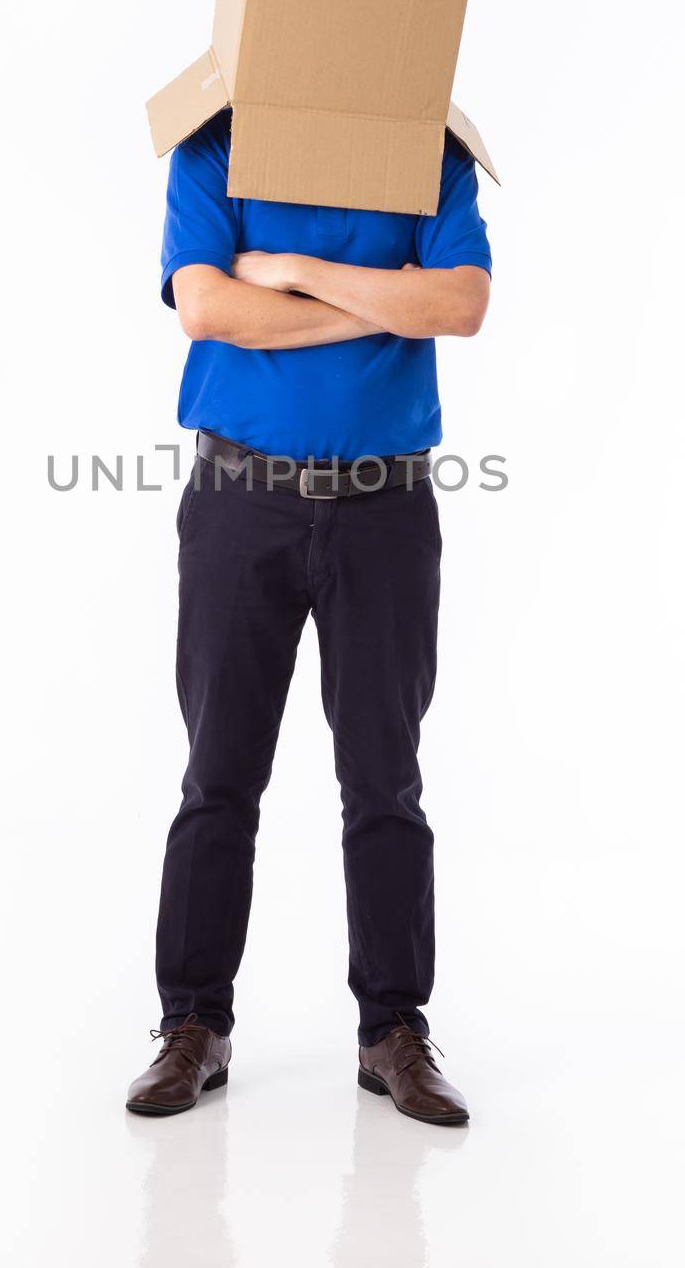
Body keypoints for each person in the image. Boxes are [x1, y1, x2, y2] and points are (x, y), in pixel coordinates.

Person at [124, 109, 491, 1125]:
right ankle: (193, 1022)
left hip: (387, 508)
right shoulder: (217, 148)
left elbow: (460, 302)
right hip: (243, 501)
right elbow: (207, 306)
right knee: (220, 773)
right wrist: (385, 307)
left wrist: (286, 267)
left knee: (385, 777)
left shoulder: (427, 152)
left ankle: (393, 1030)